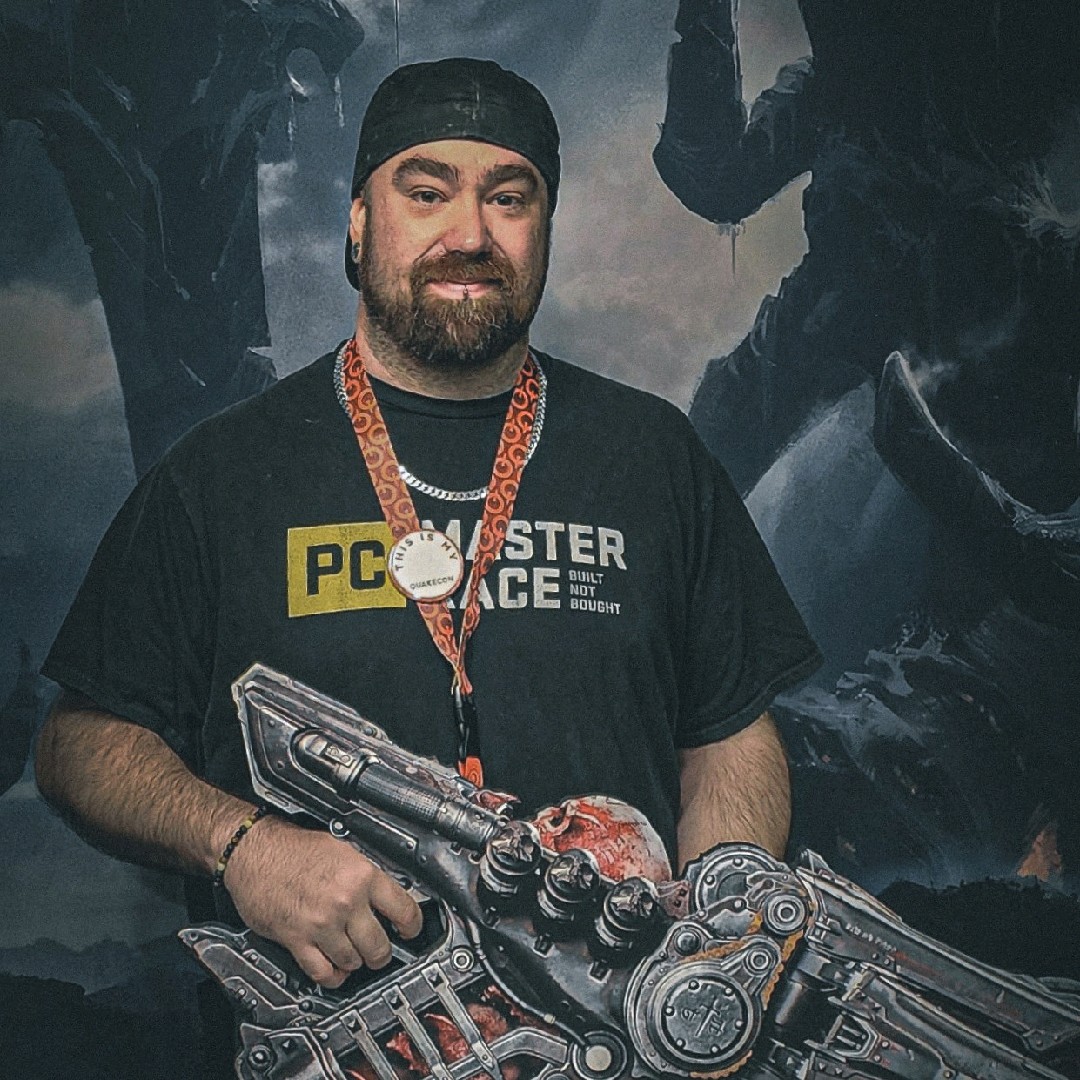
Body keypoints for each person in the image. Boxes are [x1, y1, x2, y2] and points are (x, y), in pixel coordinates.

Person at [35, 58, 820, 998]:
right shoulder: (219, 473)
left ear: (545, 229)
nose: (470, 235)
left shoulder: (654, 456)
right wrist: (242, 845)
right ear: (358, 223)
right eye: (426, 193)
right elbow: (80, 744)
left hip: (620, 1037)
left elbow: (730, 735)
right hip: (333, 1040)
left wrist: (717, 950)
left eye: (510, 198)